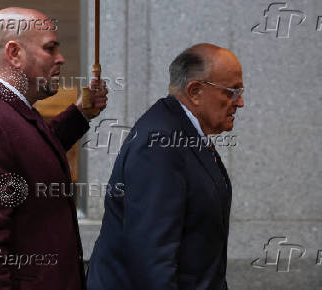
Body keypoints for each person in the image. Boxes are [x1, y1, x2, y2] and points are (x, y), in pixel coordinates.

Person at [0, 7, 107, 290]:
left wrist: (79, 115)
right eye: (50, 49)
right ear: (14, 53)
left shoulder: (4, 110)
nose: (61, 58)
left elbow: (29, 154)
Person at [87, 43, 244, 290]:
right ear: (195, 91)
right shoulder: (160, 143)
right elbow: (152, 257)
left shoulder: (180, 129)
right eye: (231, 92)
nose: (240, 102)